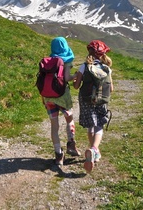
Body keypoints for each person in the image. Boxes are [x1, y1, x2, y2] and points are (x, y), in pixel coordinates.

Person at [73, 40, 113, 173]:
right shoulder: (107, 68)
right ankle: (95, 150)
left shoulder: (84, 67)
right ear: (103, 54)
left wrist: (75, 80)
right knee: (99, 126)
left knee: (91, 126)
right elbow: (111, 88)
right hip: (102, 100)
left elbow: (76, 86)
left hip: (86, 100)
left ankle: (93, 149)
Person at [42, 37, 81, 165]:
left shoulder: (48, 62)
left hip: (48, 97)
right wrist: (76, 76)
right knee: (69, 119)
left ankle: (58, 155)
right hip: (63, 97)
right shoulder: (66, 61)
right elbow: (67, 77)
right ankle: (71, 144)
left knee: (54, 126)